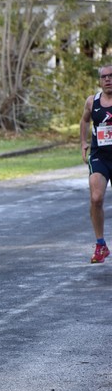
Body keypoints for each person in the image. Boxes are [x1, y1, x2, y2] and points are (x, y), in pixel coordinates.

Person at [80, 63, 112, 263]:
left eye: (111, 76)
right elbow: (84, 120)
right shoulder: (93, 102)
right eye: (104, 77)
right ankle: (100, 245)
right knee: (96, 197)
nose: (108, 79)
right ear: (99, 80)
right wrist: (83, 142)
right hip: (100, 155)